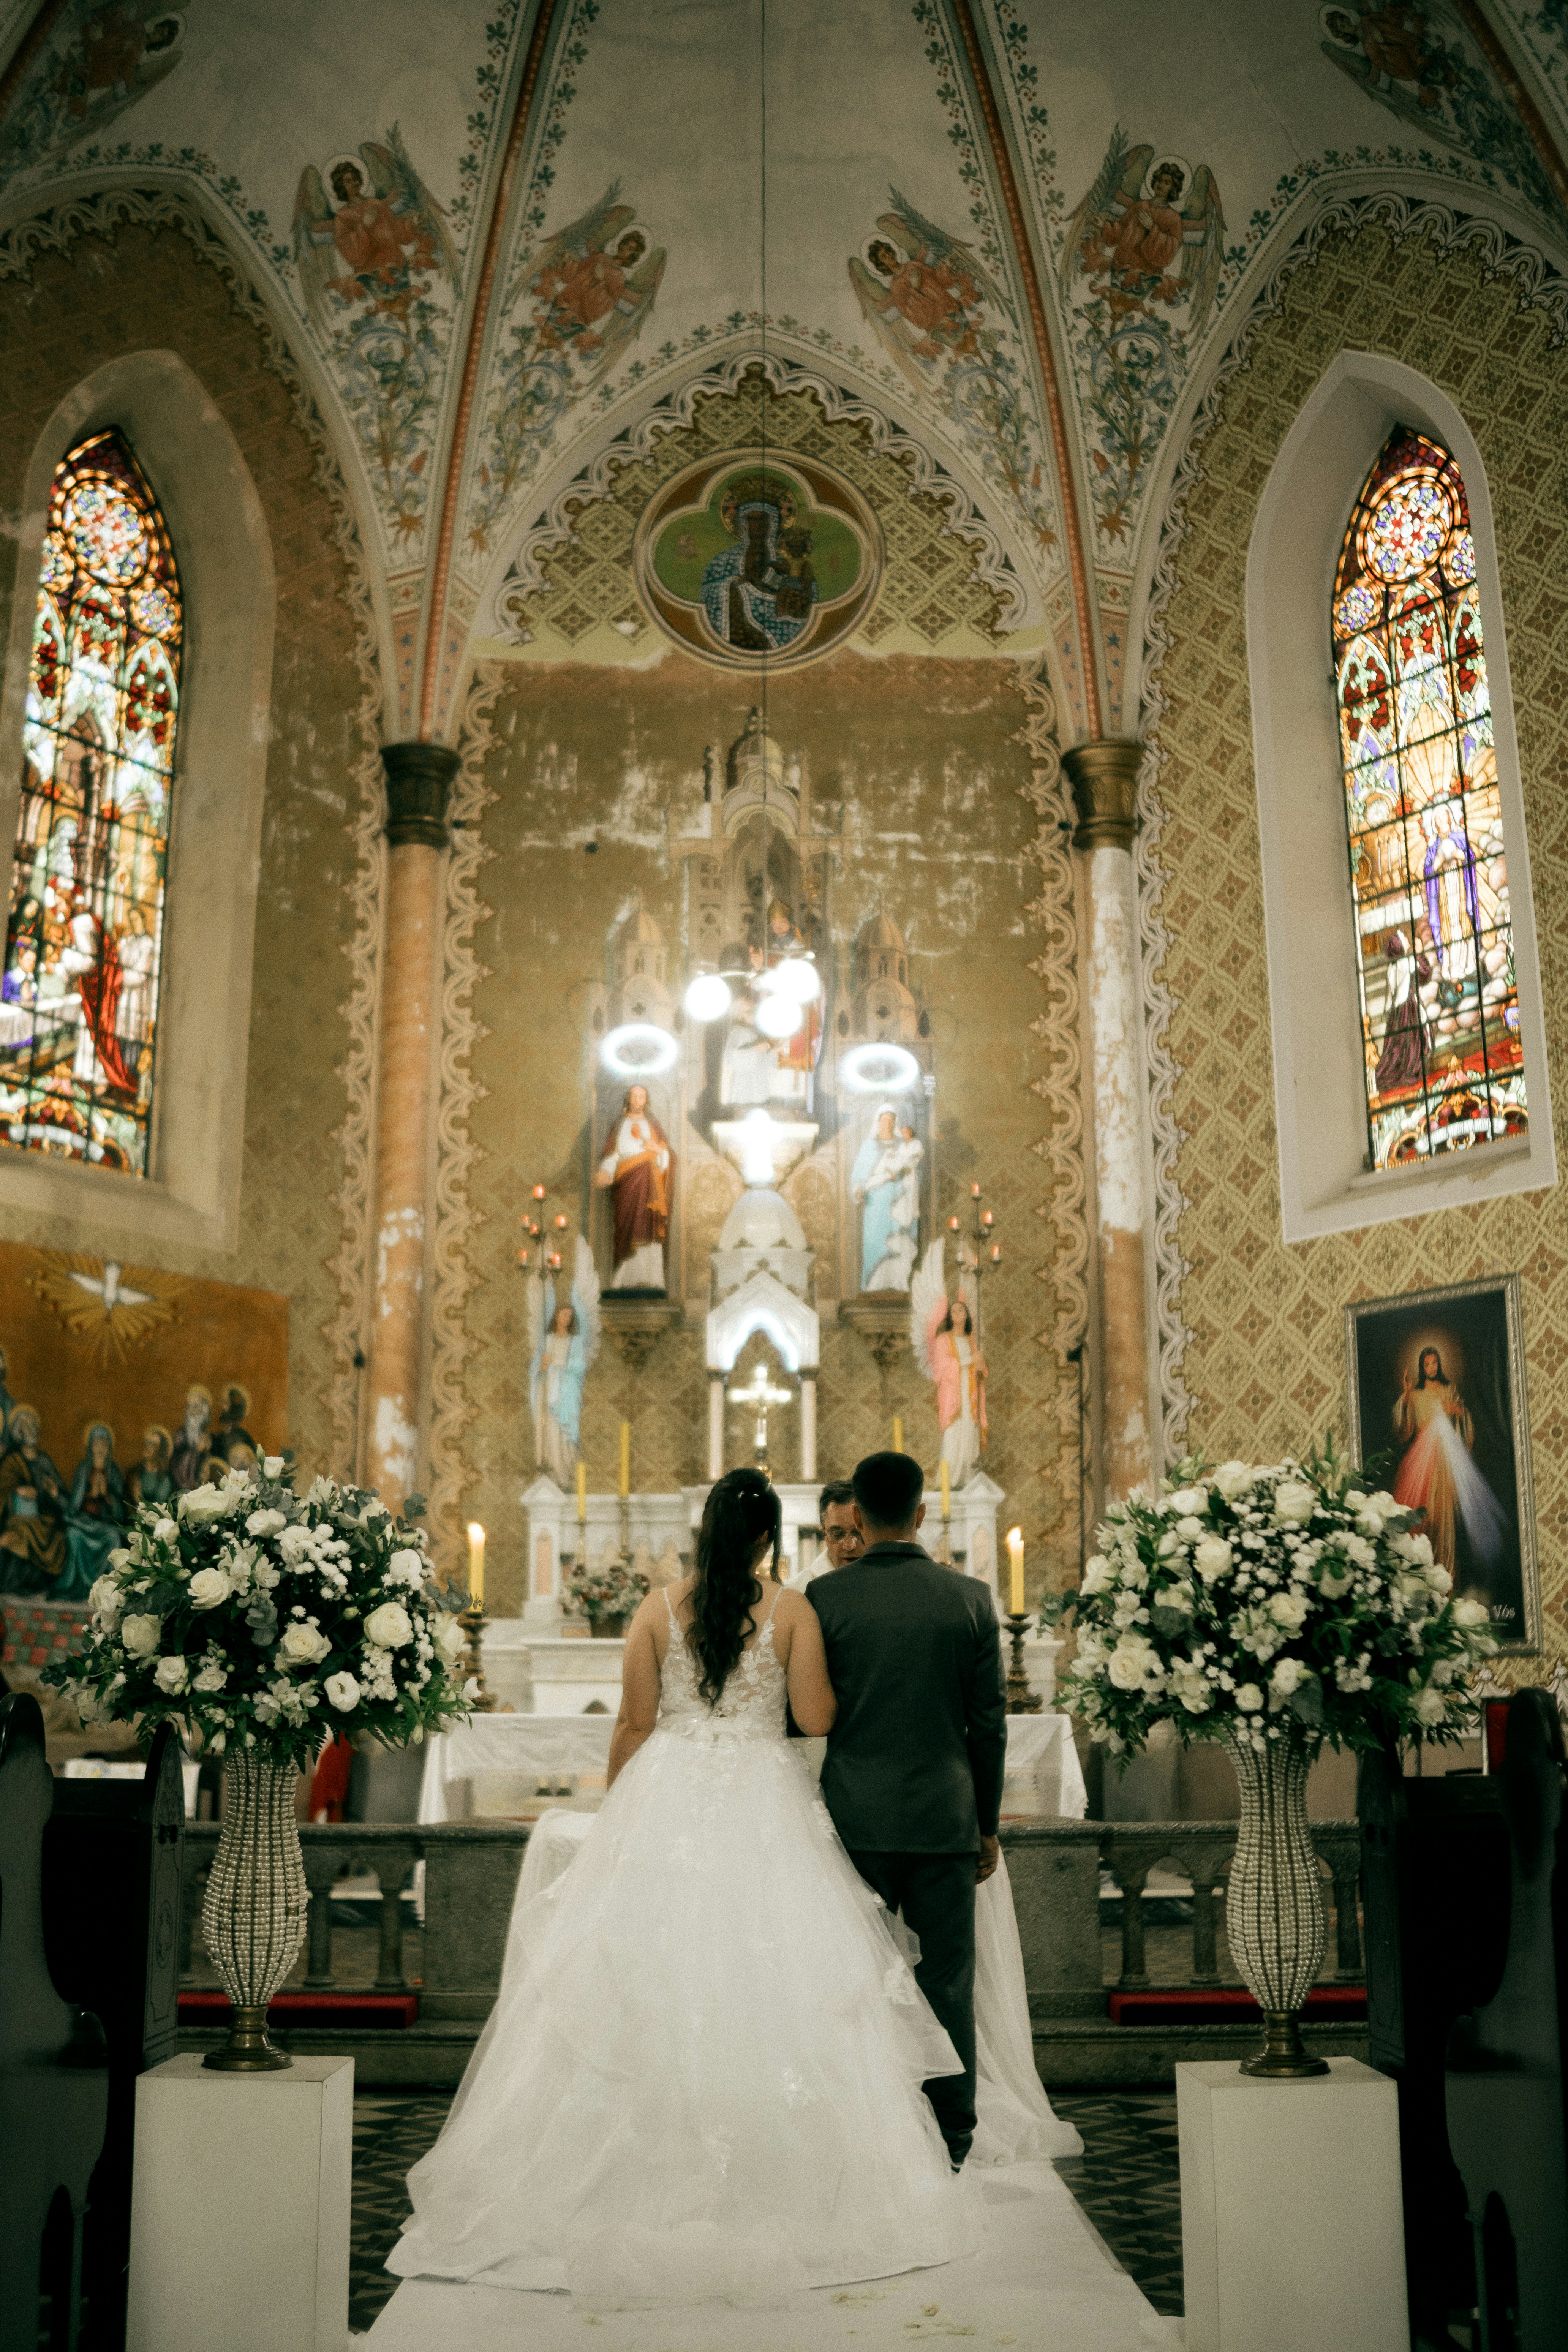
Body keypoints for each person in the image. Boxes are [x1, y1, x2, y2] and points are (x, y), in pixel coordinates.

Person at [390, 1466, 976, 2301]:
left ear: (703, 1531)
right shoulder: (792, 1608)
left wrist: (617, 1817)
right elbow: (815, 1720)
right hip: (762, 1797)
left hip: (666, 1793)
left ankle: (631, 2164)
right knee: (774, 1978)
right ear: (774, 1536)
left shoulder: (657, 1608)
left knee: (649, 1974)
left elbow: (632, 1723)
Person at [807, 1451, 1005, 2170]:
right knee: (946, 1980)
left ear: (855, 1515)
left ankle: (858, 2129)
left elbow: (805, 1716)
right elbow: (988, 1725)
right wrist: (984, 1822)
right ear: (921, 1513)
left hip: (853, 1818)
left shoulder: (822, 1600)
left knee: (850, 1976)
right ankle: (950, 2137)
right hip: (942, 1817)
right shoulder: (972, 1598)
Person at [594, 1082, 673, 1292]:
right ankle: (624, 1280)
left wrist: (655, 1148)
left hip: (650, 1184)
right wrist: (606, 1171)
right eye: (634, 1096)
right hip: (627, 1183)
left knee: (648, 1230)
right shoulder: (619, 1125)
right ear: (628, 1099)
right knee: (627, 1227)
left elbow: (667, 1157)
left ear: (646, 1101)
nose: (638, 1100)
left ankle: (652, 1280)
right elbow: (613, 1155)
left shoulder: (654, 1126)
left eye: (642, 1096)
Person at [0, 1406, 68, 1593]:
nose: (30, 1429)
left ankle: (34, 1584)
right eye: (25, 1426)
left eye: (32, 1425)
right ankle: (13, 1584)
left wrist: (54, 1494)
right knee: (16, 1534)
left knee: (58, 1536)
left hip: (45, 1517)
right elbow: (2, 1492)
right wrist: (17, 1491)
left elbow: (62, 1497)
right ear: (18, 1432)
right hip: (18, 1519)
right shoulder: (12, 1461)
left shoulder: (45, 1461)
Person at [63, 1420, 127, 1596]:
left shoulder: (113, 1472)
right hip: (83, 1523)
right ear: (91, 1447)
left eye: (104, 1445)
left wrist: (107, 1496)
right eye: (97, 1444)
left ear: (109, 1448)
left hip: (104, 1525)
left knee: (114, 1538)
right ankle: (81, 1586)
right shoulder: (84, 1470)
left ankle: (106, 1588)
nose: (100, 1448)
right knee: (73, 1535)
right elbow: (74, 1504)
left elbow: (119, 1513)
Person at [787, 1477, 864, 1591]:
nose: (849, 1546)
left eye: (858, 1533)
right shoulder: (798, 1589)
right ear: (824, 1534)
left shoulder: (890, 1581)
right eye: (838, 1534)